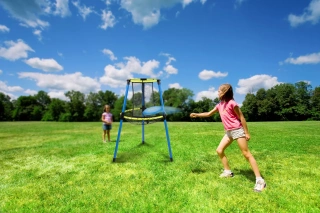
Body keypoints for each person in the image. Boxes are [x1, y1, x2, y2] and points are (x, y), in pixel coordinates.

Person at [190, 83, 266, 192]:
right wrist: (196, 115)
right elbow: (209, 114)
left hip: (237, 130)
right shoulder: (220, 105)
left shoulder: (232, 103)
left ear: (224, 92)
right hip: (228, 132)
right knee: (219, 150)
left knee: (246, 153)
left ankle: (260, 180)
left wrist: (246, 132)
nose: (217, 92)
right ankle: (228, 172)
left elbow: (241, 117)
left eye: (219, 91)